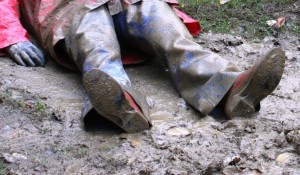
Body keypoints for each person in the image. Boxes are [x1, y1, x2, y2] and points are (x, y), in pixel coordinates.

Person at [0, 0, 286, 133]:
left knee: (169, 32)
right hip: (70, 9)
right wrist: (11, 37)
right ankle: (120, 104)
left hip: (129, 3)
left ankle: (232, 88)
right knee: (96, 43)